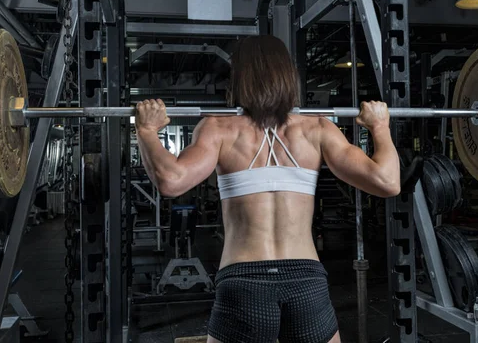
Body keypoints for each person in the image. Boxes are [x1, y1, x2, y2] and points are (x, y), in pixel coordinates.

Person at [135, 35, 400, 343]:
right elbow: (387, 181)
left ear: (239, 77)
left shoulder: (219, 128)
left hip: (243, 282)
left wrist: (146, 130)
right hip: (305, 281)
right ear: (288, 74)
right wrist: (380, 127)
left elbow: (171, 180)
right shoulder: (317, 128)